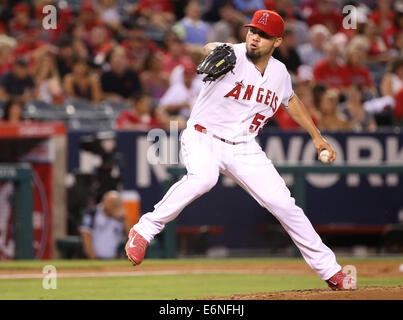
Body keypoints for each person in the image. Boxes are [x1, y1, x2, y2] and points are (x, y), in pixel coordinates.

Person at [125, 10, 357, 291]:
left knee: (285, 205)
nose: (255, 38)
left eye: (263, 35)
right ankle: (144, 230)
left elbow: (291, 100)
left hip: (244, 146)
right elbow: (212, 48)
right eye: (252, 31)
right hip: (204, 137)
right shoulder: (232, 55)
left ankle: (331, 272)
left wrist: (317, 137)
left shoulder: (280, 73)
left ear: (277, 42)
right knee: (204, 178)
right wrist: (212, 49)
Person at [79, 190, 130, 259]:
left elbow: (131, 236)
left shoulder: (120, 218)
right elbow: (86, 235)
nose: (112, 205)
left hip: (113, 258)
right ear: (103, 201)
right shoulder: (92, 213)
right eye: (110, 202)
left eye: (115, 203)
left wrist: (124, 219)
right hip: (93, 258)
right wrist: (93, 257)